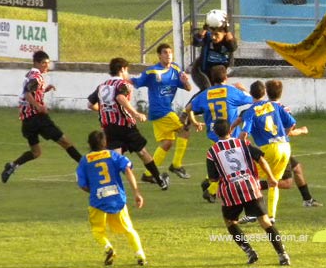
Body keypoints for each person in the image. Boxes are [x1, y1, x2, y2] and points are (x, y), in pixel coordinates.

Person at [206, 119, 290, 266]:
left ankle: (250, 252)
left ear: (215, 133)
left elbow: (213, 178)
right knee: (265, 221)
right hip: (250, 187)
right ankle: (283, 255)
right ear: (230, 131)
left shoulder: (212, 152)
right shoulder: (243, 143)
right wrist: (270, 177)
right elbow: (261, 159)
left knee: (230, 222)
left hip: (230, 191)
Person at [87, 57, 169, 190]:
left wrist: (105, 110)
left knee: (116, 157)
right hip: (126, 125)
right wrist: (136, 113)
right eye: (127, 70)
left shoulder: (102, 86)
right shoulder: (122, 84)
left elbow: (90, 104)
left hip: (109, 127)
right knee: (142, 152)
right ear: (122, 69)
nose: (127, 74)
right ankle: (160, 180)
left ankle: (108, 184)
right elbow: (120, 97)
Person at [1, 50, 82, 183]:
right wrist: (38, 106)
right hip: (37, 118)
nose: (46, 66)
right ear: (36, 63)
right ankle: (87, 166)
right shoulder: (36, 76)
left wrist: (44, 89)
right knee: (65, 142)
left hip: (27, 120)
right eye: (44, 63)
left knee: (36, 152)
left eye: (47, 63)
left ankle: (12, 166)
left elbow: (30, 90)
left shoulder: (30, 74)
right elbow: (27, 93)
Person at [76, 130, 147, 266]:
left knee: (98, 231)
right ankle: (140, 255)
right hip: (116, 198)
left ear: (89, 144)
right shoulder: (113, 155)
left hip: (98, 200)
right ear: (105, 142)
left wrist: (95, 191)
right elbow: (127, 170)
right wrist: (136, 192)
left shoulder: (85, 161)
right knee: (129, 229)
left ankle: (108, 247)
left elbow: (82, 184)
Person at [185, 65, 252, 203]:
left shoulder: (205, 94)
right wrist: (243, 89)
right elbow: (253, 100)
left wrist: (194, 121)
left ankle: (209, 183)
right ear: (226, 78)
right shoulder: (231, 92)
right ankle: (211, 189)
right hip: (229, 135)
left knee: (221, 163)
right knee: (230, 166)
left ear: (212, 79)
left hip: (214, 134)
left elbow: (188, 108)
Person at [130, 43, 192, 182]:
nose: (168, 55)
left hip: (161, 112)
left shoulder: (176, 69)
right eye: (165, 52)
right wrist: (120, 78)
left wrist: (186, 81)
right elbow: (136, 82)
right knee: (185, 130)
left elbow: (188, 88)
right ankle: (176, 165)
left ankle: (148, 174)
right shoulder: (152, 72)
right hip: (161, 111)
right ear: (159, 55)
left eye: (170, 52)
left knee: (167, 142)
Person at [239, 80, 296, 223]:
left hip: (269, 149)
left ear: (251, 94)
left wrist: (239, 146)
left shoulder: (250, 111)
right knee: (273, 181)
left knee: (249, 179)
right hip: (284, 146)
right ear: (264, 93)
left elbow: (244, 134)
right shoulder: (274, 105)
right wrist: (285, 135)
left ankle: (253, 213)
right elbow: (291, 122)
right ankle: (271, 216)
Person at [259, 80, 322, 207]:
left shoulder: (263, 108)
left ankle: (307, 200)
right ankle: (253, 186)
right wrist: (302, 130)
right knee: (287, 183)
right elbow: (288, 132)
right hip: (280, 147)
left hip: (272, 147)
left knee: (298, 169)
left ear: (267, 92)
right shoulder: (283, 109)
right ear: (281, 93)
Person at [191, 9, 238, 91]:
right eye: (212, 33)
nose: (213, 37)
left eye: (216, 34)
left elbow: (233, 47)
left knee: (219, 92)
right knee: (207, 90)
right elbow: (196, 42)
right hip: (202, 71)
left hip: (218, 74)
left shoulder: (228, 40)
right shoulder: (208, 37)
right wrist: (205, 28)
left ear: (224, 33)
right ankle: (192, 103)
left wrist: (227, 29)